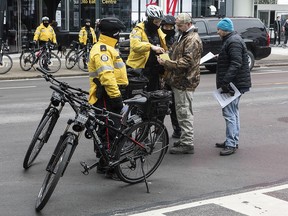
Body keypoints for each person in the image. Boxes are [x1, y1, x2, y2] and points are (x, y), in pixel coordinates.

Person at [157, 13, 203, 154]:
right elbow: (176, 53)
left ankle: (187, 143)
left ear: (188, 24)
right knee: (181, 111)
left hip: (185, 81)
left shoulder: (192, 39)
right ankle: (184, 139)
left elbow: (186, 62)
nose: (177, 27)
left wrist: (167, 63)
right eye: (177, 25)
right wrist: (166, 53)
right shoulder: (184, 35)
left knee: (184, 112)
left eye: (179, 25)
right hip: (179, 80)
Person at [88, 17, 128, 175]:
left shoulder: (108, 47)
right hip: (107, 96)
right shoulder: (103, 50)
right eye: (119, 33)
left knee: (107, 129)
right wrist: (116, 98)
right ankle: (110, 167)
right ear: (114, 33)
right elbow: (107, 77)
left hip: (108, 95)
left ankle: (103, 161)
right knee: (109, 131)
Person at [215, 17, 251, 156]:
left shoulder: (233, 41)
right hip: (237, 83)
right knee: (233, 112)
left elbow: (236, 63)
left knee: (229, 113)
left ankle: (231, 143)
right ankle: (232, 140)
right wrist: (221, 56)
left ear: (225, 30)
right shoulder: (232, 39)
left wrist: (225, 82)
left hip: (233, 84)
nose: (217, 32)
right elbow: (234, 59)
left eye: (219, 29)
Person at [126, 5, 168, 92]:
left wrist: (166, 66)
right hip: (139, 69)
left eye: (159, 21)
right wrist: (151, 46)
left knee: (154, 95)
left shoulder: (159, 31)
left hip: (154, 69)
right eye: (156, 22)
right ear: (149, 19)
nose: (158, 24)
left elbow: (163, 48)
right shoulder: (138, 30)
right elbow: (135, 45)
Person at [160, 15, 181, 139]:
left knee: (174, 106)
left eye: (170, 26)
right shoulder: (157, 36)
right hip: (161, 75)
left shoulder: (176, 38)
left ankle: (177, 130)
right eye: (166, 26)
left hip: (172, 75)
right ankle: (159, 130)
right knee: (160, 106)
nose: (168, 28)